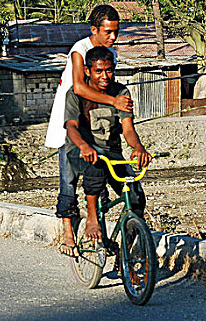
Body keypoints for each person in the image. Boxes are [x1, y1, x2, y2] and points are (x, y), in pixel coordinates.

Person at [44, 5, 133, 257]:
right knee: (68, 180)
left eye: (116, 32)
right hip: (72, 119)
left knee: (102, 176)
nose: (113, 37)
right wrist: (115, 102)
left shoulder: (109, 53)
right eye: (108, 32)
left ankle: (110, 238)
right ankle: (68, 233)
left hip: (98, 124)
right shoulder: (79, 51)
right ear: (94, 29)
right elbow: (80, 89)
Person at [64, 46, 151, 242]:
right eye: (99, 71)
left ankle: (125, 254)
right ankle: (92, 217)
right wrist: (84, 146)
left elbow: (128, 129)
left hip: (112, 153)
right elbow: (71, 127)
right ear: (87, 71)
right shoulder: (75, 94)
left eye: (109, 70)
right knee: (96, 163)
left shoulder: (121, 92)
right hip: (80, 152)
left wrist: (138, 148)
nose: (105, 76)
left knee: (136, 197)